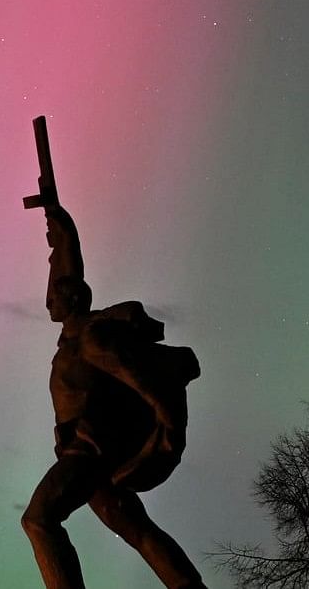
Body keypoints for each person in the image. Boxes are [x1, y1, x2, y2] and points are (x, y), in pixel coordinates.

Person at [21, 204, 206, 589]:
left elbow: (136, 377)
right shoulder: (75, 335)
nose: (47, 301)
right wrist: (60, 229)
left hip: (91, 450)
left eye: (54, 296)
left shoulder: (91, 338)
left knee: (39, 519)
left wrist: (168, 422)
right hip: (86, 449)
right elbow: (71, 272)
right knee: (138, 530)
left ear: (71, 302)